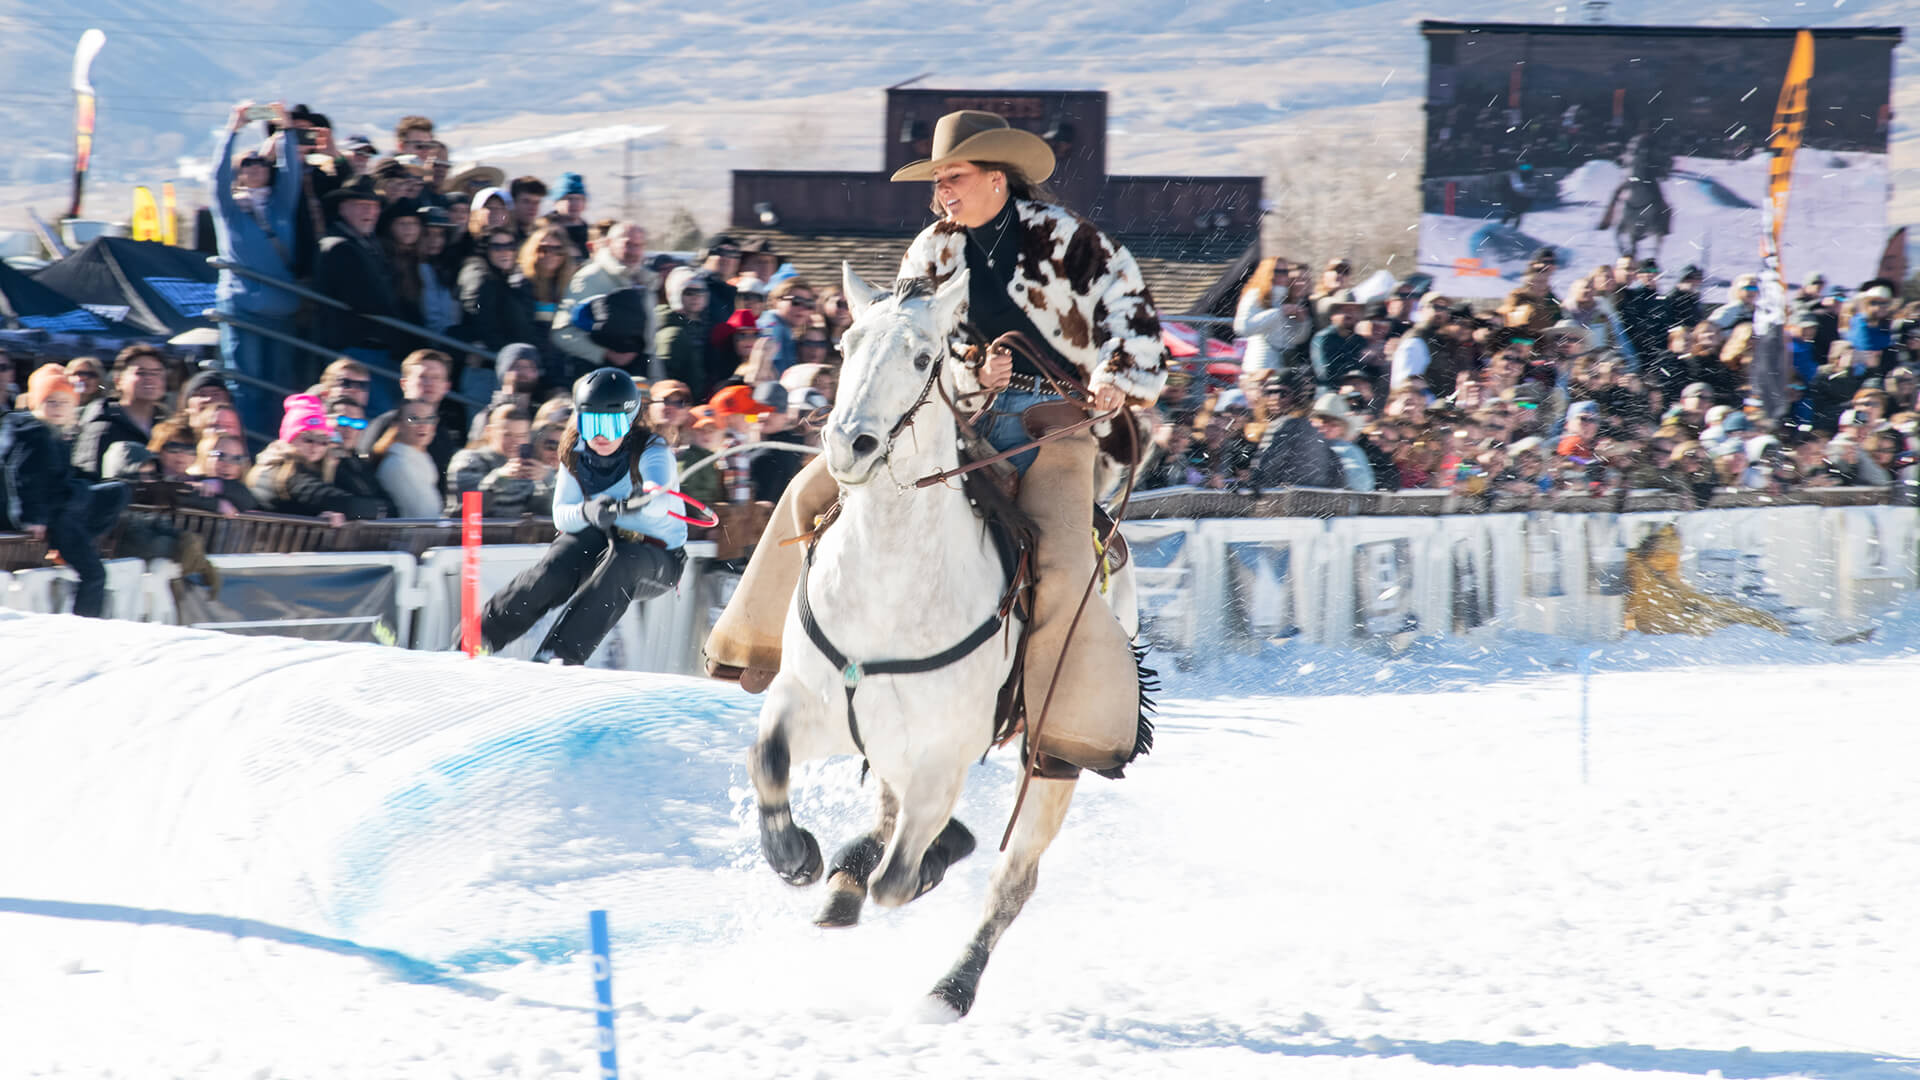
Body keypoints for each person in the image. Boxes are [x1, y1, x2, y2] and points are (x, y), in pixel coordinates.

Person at [706, 109, 1159, 776]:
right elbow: (906, 338)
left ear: (998, 179)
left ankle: (1066, 723)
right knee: (810, 490)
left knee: (1063, 562)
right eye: (938, 179)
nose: (942, 190)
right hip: (948, 414)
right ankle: (760, 645)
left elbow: (1133, 311)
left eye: (955, 176)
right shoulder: (930, 251)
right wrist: (972, 372)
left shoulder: (1072, 241)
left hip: (1053, 422)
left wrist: (1116, 374)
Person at [478, 367, 686, 665]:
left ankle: (558, 655)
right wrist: (589, 510)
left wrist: (643, 499)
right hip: (601, 542)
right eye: (591, 424)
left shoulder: (652, 450)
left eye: (611, 426)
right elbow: (562, 516)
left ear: (628, 422)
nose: (600, 436)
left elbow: (660, 499)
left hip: (657, 558)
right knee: (558, 560)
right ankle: (478, 638)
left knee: (623, 562)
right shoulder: (574, 450)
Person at [0, 367, 131, 617]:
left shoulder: (54, 435)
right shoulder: (33, 434)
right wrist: (32, 518)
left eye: (65, 402)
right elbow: (23, 476)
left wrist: (87, 481)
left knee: (117, 491)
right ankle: (85, 624)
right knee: (94, 574)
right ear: (37, 404)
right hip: (50, 516)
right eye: (51, 401)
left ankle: (78, 540)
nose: (58, 407)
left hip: (59, 509)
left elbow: (59, 475)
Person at [212, 101, 305, 436]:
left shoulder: (281, 205)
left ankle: (277, 445)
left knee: (279, 387)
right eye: (247, 163)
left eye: (261, 162)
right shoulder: (229, 210)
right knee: (245, 383)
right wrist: (232, 129)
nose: (254, 167)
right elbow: (216, 177)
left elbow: (292, 170)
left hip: (281, 309)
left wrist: (286, 129)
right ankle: (247, 449)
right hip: (242, 307)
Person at [247, 394, 388, 522]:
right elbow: (349, 505)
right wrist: (379, 510)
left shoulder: (318, 466)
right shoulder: (283, 469)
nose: (315, 446)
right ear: (290, 438)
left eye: (323, 441)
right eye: (308, 439)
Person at [551, 221, 657, 381]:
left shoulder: (644, 281)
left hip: (638, 375)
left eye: (639, 245)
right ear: (609, 243)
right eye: (628, 244)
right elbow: (562, 333)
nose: (634, 251)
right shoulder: (590, 278)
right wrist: (606, 354)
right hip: (598, 379)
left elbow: (650, 342)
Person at [361, 350, 464, 481]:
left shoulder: (444, 433)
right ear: (404, 384)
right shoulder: (384, 424)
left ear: (446, 387)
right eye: (422, 377)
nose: (429, 383)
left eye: (436, 378)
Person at [71, 345, 171, 480]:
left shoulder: (167, 425)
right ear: (118, 381)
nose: (150, 378)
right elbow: (87, 477)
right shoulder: (102, 425)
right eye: (141, 373)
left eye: (156, 373)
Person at [457, 226, 539, 353]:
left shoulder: (503, 276)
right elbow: (479, 315)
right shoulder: (479, 273)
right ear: (485, 250)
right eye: (497, 247)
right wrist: (501, 352)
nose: (505, 252)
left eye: (510, 246)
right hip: (487, 358)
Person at [1235, 257, 1313, 378]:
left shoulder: (1287, 298)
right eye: (1277, 271)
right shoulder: (1255, 295)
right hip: (1259, 365)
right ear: (1267, 272)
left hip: (1284, 366)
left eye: (1285, 272)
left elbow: (1295, 339)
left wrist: (1303, 322)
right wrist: (1278, 312)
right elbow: (1242, 328)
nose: (1282, 276)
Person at [372, 398, 444, 518]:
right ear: (399, 426)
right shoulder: (398, 465)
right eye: (413, 419)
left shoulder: (422, 459)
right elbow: (425, 518)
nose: (423, 425)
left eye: (430, 419)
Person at [518, 224, 579, 358]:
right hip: (534, 357)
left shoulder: (570, 283)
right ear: (533, 251)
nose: (550, 254)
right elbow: (525, 330)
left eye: (557, 249)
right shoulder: (523, 283)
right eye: (543, 249)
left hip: (562, 356)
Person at [655, 266, 714, 394]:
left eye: (700, 291)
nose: (696, 297)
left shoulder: (705, 326)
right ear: (674, 294)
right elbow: (666, 379)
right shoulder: (672, 332)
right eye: (688, 292)